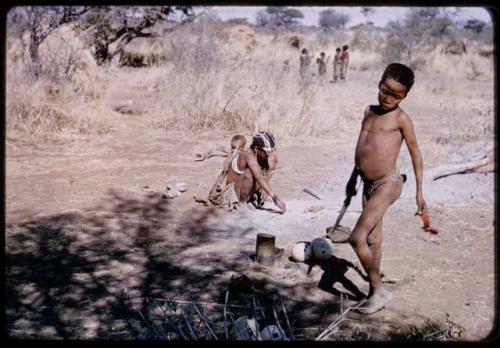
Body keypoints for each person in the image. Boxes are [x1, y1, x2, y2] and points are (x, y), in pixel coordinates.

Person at [343, 63, 426, 314]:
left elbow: (416, 155)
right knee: (373, 240)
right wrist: (352, 179)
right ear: (379, 83)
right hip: (366, 184)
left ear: (405, 96)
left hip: (388, 184)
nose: (389, 98)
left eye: (397, 95)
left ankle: (379, 290)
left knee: (356, 238)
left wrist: (419, 193)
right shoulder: (368, 111)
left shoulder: (401, 119)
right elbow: (363, 148)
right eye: (385, 91)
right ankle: (372, 295)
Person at [226, 132, 286, 213]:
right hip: (235, 197)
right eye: (266, 152)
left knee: (272, 159)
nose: (268, 154)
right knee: (252, 173)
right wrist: (276, 200)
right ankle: (241, 203)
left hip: (249, 193)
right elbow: (259, 177)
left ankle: (257, 194)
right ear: (256, 149)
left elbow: (275, 164)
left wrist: (265, 184)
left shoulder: (258, 156)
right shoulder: (247, 155)